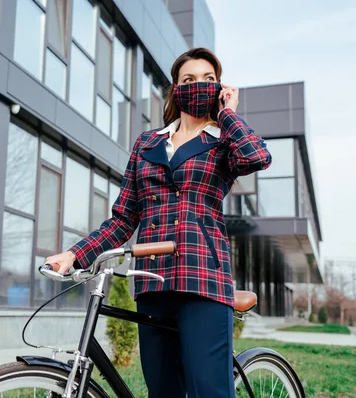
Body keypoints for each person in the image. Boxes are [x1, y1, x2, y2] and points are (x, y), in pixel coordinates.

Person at [45, 47, 272, 397]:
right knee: (163, 391)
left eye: (208, 79)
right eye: (189, 79)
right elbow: (123, 218)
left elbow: (257, 157)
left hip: (203, 279)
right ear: (176, 89)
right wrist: (75, 255)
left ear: (220, 87)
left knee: (208, 390)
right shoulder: (147, 143)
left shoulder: (224, 140)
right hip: (152, 280)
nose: (199, 85)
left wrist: (227, 114)